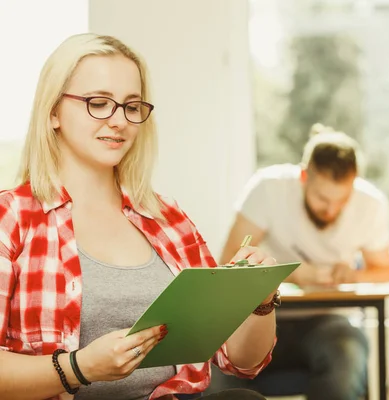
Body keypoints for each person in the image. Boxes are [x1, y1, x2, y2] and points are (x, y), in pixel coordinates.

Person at [0, 33, 280, 400]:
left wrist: (259, 299)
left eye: (132, 106)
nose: (119, 121)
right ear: (53, 111)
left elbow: (239, 361)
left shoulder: (166, 218)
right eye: (98, 103)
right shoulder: (12, 217)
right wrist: (79, 368)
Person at [206, 124, 389, 400]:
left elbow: (385, 271)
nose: (331, 210)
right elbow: (229, 261)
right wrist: (294, 275)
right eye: (322, 198)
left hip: (327, 322)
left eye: (341, 200)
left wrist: (352, 275)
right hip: (257, 320)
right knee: (215, 371)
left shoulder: (371, 203)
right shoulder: (269, 188)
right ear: (304, 176)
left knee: (347, 352)